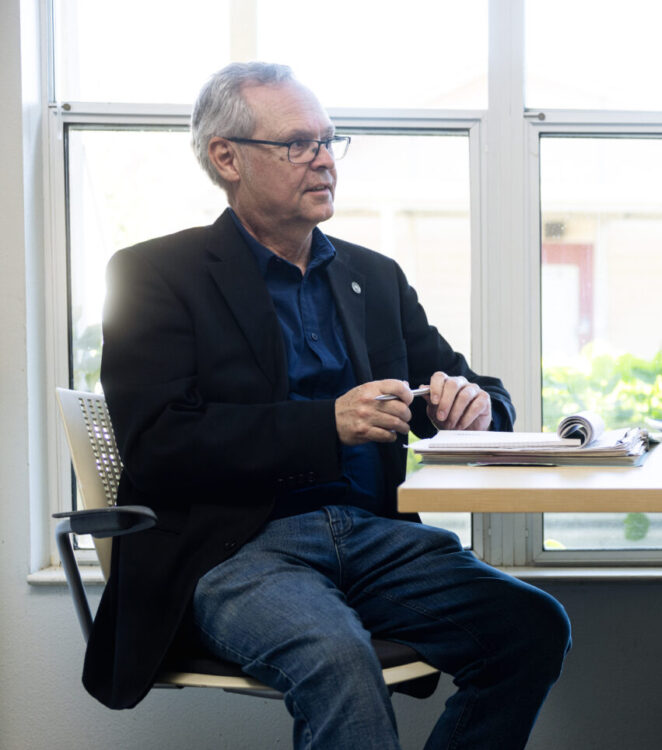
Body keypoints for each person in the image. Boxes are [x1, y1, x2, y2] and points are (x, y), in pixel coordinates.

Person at [84, 62, 570, 750]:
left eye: (328, 141)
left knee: (531, 626)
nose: (323, 161)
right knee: (338, 659)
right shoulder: (154, 275)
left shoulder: (373, 275)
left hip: (372, 538)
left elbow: (462, 385)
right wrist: (326, 423)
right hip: (234, 549)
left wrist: (478, 406)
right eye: (296, 144)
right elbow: (159, 445)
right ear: (227, 158)